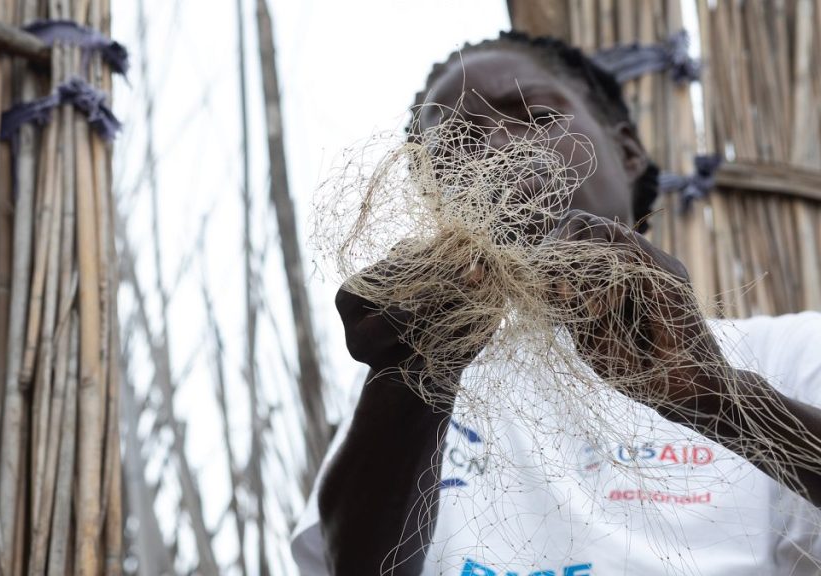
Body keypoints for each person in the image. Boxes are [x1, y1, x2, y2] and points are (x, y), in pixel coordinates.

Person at [291, 32, 821, 576]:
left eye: (537, 117)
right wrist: (409, 380)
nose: (497, 152)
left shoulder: (791, 354)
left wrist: (716, 397)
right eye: (454, 148)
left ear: (628, 153)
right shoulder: (422, 385)